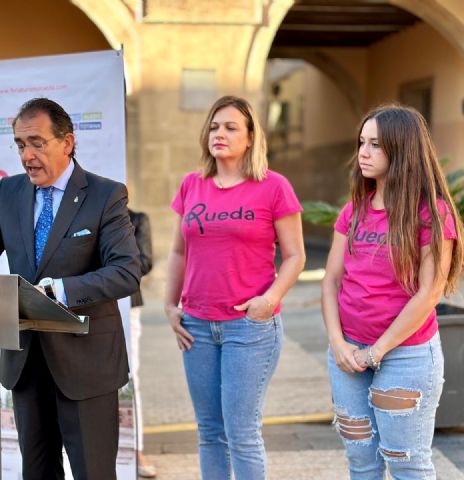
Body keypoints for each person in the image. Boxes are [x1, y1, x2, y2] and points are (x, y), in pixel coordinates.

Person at [0, 97, 141, 480]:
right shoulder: (8, 193)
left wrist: (60, 292)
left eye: (37, 143)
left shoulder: (106, 196)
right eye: (21, 144)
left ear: (67, 142)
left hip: (87, 365)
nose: (27, 155)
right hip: (27, 362)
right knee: (37, 473)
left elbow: (126, 271)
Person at [164, 95, 306, 479]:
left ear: (250, 137)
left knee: (241, 433)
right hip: (196, 326)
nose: (219, 134)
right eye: (214, 126)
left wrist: (269, 300)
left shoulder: (273, 186)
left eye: (230, 127)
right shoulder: (192, 185)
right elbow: (179, 252)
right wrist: (169, 305)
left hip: (249, 327)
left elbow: (295, 257)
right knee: (210, 432)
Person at [321, 104, 463, 479]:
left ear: (402, 150)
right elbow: (331, 280)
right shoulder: (353, 211)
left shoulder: (431, 213)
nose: (363, 153)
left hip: (407, 356)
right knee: (361, 463)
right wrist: (338, 343)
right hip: (348, 354)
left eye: (376, 145)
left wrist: (377, 351)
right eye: (361, 143)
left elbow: (430, 292)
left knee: (407, 463)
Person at [127, 208, 156, 478]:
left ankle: (135, 448)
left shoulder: (136, 219)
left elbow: (146, 262)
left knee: (129, 376)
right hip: (85, 304)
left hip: (127, 304)